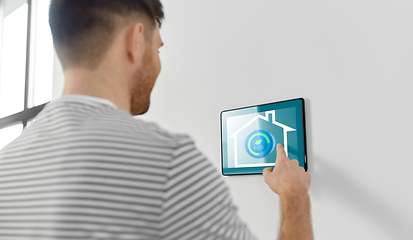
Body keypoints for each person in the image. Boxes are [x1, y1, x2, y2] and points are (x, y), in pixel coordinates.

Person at [0, 0, 313, 239]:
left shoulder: (7, 164)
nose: (159, 62)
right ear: (135, 41)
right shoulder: (167, 160)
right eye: (158, 47)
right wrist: (293, 194)